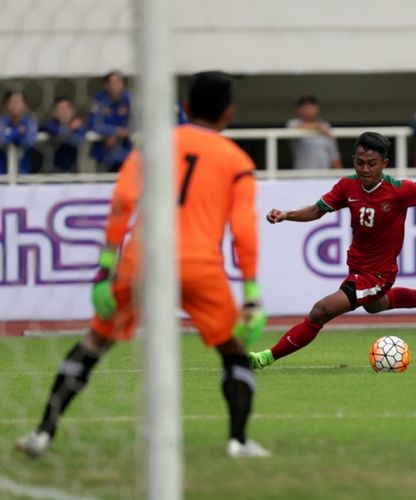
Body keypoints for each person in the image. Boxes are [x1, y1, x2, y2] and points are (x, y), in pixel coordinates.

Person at [16, 71, 271, 459]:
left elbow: (122, 203)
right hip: (199, 266)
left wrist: (105, 269)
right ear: (228, 114)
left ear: (185, 108)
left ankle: (43, 434)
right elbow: (244, 229)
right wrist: (251, 292)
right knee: (232, 351)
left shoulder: (154, 145)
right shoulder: (236, 160)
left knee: (95, 341)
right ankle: (238, 441)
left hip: (143, 260)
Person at [248, 131, 416, 369]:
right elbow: (315, 211)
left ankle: (264, 358)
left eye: (372, 164)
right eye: (359, 163)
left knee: (320, 311)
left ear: (384, 164)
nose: (364, 169)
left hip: (378, 275)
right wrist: (286, 215)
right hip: (356, 266)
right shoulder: (347, 186)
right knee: (376, 305)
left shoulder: (399, 191)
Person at [88, 70, 132, 172]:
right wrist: (116, 131)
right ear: (106, 85)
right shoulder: (100, 100)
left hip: (125, 152)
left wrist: (117, 134)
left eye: (119, 82)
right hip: (104, 152)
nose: (116, 86)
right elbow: (94, 124)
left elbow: (136, 122)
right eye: (112, 83)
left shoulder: (129, 100)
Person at [286, 93, 342, 170]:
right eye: (304, 105)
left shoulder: (325, 125)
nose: (308, 108)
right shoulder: (293, 123)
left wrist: (342, 178)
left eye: (311, 105)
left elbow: (334, 155)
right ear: (298, 110)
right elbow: (293, 128)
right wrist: (318, 127)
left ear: (317, 108)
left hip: (324, 176)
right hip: (302, 177)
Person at [41, 97, 86, 173]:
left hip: (73, 171)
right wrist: (70, 129)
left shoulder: (78, 125)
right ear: (54, 112)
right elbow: (54, 131)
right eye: (60, 109)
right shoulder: (50, 124)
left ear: (73, 111)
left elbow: (78, 141)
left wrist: (65, 133)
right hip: (53, 171)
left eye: (66, 109)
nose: (63, 112)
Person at [0, 90, 38, 174]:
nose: (15, 105)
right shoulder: (2, 122)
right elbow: (2, 140)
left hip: (24, 173)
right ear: (6, 105)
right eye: (12, 102)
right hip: (2, 174)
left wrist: (9, 135)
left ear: (25, 105)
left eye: (18, 102)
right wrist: (18, 132)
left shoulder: (30, 122)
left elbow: (29, 141)